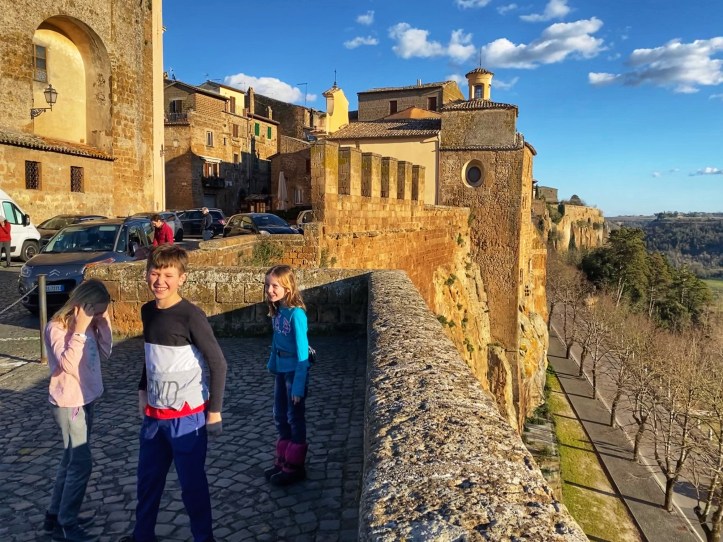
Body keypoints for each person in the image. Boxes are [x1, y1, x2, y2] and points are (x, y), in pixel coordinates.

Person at [120, 245, 226, 542]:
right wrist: (142, 389)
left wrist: (214, 411)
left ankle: (204, 538)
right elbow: (151, 356)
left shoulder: (191, 316)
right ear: (146, 274)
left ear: (182, 278)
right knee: (147, 482)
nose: (160, 281)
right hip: (154, 417)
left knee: (192, 485)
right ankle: (142, 536)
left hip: (187, 418)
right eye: (155, 273)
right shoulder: (147, 311)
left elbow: (218, 362)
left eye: (168, 275)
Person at [44, 279, 112, 542]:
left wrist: (102, 323)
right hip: (69, 403)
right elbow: (68, 365)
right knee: (81, 464)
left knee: (70, 461)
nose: (97, 316)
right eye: (96, 311)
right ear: (83, 306)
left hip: (87, 399)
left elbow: (106, 351)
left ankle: (55, 516)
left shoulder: (91, 326)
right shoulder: (56, 328)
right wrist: (81, 330)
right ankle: (67, 523)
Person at [263, 265, 311, 486]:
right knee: (279, 414)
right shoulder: (278, 310)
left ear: (288, 288)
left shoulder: (296, 315)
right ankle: (284, 459)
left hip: (294, 372)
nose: (270, 290)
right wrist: (273, 365)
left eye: (275, 286)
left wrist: (298, 386)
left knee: (294, 417)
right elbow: (276, 343)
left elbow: (303, 353)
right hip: (281, 371)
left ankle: (295, 465)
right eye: (267, 285)